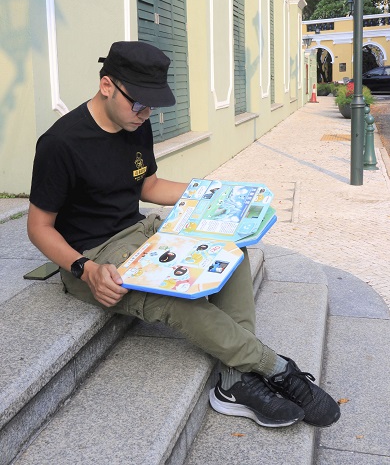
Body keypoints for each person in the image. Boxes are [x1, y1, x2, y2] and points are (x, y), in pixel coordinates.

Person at [27, 41, 340, 429]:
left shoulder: (134, 124)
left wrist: (217, 197)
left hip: (142, 232)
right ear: (107, 85)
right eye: (138, 104)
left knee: (231, 244)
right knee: (177, 300)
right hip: (94, 255)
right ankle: (276, 368)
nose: (145, 115)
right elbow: (38, 227)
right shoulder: (60, 143)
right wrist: (84, 268)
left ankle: (236, 380)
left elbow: (148, 185)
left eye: (151, 106)